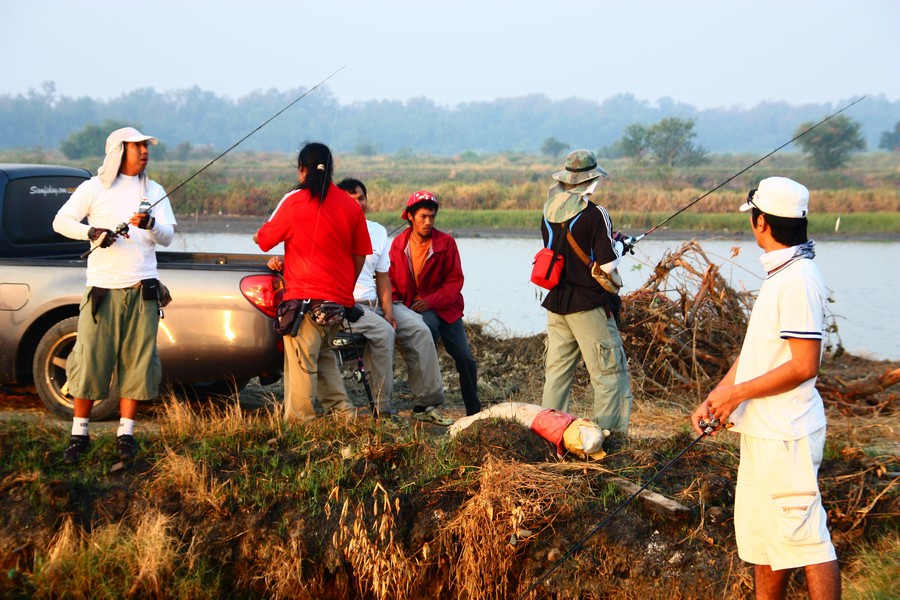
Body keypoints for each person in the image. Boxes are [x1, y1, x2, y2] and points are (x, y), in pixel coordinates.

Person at [691, 177, 840, 599]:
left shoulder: (798, 279)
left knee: (809, 541)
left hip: (788, 433)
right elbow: (758, 352)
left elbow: (804, 366)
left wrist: (737, 395)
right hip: (763, 431)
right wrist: (719, 396)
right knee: (764, 543)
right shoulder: (783, 271)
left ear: (760, 222)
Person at [265, 178, 446, 423]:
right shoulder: (328, 227)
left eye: (361, 198)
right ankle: (382, 410)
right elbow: (305, 256)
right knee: (384, 334)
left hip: (376, 303)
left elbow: (382, 277)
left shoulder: (378, 231)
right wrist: (281, 262)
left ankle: (427, 404)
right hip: (347, 305)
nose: (358, 204)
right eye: (351, 200)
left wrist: (388, 310)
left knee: (419, 329)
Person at [52, 126, 176, 464]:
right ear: (119, 151)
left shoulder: (155, 189)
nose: (145, 152)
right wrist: (93, 232)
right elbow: (60, 221)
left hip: (142, 291)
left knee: (138, 363)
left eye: (146, 147)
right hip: (102, 291)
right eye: (138, 147)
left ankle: (126, 434)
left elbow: (168, 238)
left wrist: (150, 224)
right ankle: (79, 434)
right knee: (90, 360)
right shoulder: (93, 188)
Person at [254, 142, 372, 421]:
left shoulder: (294, 201)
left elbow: (264, 240)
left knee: (302, 365)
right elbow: (360, 256)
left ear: (301, 170)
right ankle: (344, 416)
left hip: (305, 306)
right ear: (332, 170)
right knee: (324, 358)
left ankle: (300, 424)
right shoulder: (351, 206)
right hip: (337, 305)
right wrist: (345, 290)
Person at [539, 149, 633, 432]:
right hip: (588, 305)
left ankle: (548, 435)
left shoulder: (547, 212)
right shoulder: (596, 213)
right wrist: (621, 246)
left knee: (556, 376)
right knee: (608, 374)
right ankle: (611, 438)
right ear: (591, 180)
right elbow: (606, 265)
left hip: (557, 302)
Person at [389, 190, 481, 419]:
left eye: (432, 216)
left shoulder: (446, 243)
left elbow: (455, 282)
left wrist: (429, 301)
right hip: (414, 309)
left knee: (464, 357)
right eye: (423, 216)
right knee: (422, 347)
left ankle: (474, 410)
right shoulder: (398, 245)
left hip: (445, 309)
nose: (428, 222)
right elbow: (391, 282)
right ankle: (425, 403)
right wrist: (394, 308)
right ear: (410, 217)